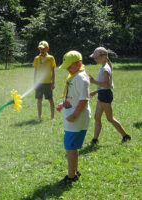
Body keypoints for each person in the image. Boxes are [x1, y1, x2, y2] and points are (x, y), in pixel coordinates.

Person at [56, 50, 91, 185]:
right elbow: (74, 96)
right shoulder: (74, 76)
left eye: (70, 66)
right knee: (73, 146)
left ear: (79, 64)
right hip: (72, 116)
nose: (68, 70)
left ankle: (71, 176)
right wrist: (63, 104)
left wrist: (74, 115)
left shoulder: (81, 79)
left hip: (76, 118)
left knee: (70, 148)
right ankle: (75, 171)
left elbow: (83, 100)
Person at [89, 47, 131, 145]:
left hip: (105, 96)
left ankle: (125, 136)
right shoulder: (104, 66)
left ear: (103, 57)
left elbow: (107, 85)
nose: (94, 59)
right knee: (97, 117)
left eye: (96, 57)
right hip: (102, 94)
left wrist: (94, 81)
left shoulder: (105, 69)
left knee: (110, 118)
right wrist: (96, 91)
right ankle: (95, 139)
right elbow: (104, 85)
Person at [32, 41, 56, 119]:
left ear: (47, 48)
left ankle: (52, 116)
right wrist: (34, 82)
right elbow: (35, 71)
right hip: (39, 83)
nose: (41, 50)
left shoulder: (51, 58)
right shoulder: (36, 58)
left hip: (48, 83)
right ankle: (39, 116)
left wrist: (53, 82)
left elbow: (53, 71)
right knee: (39, 100)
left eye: (43, 48)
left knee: (50, 99)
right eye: (40, 48)